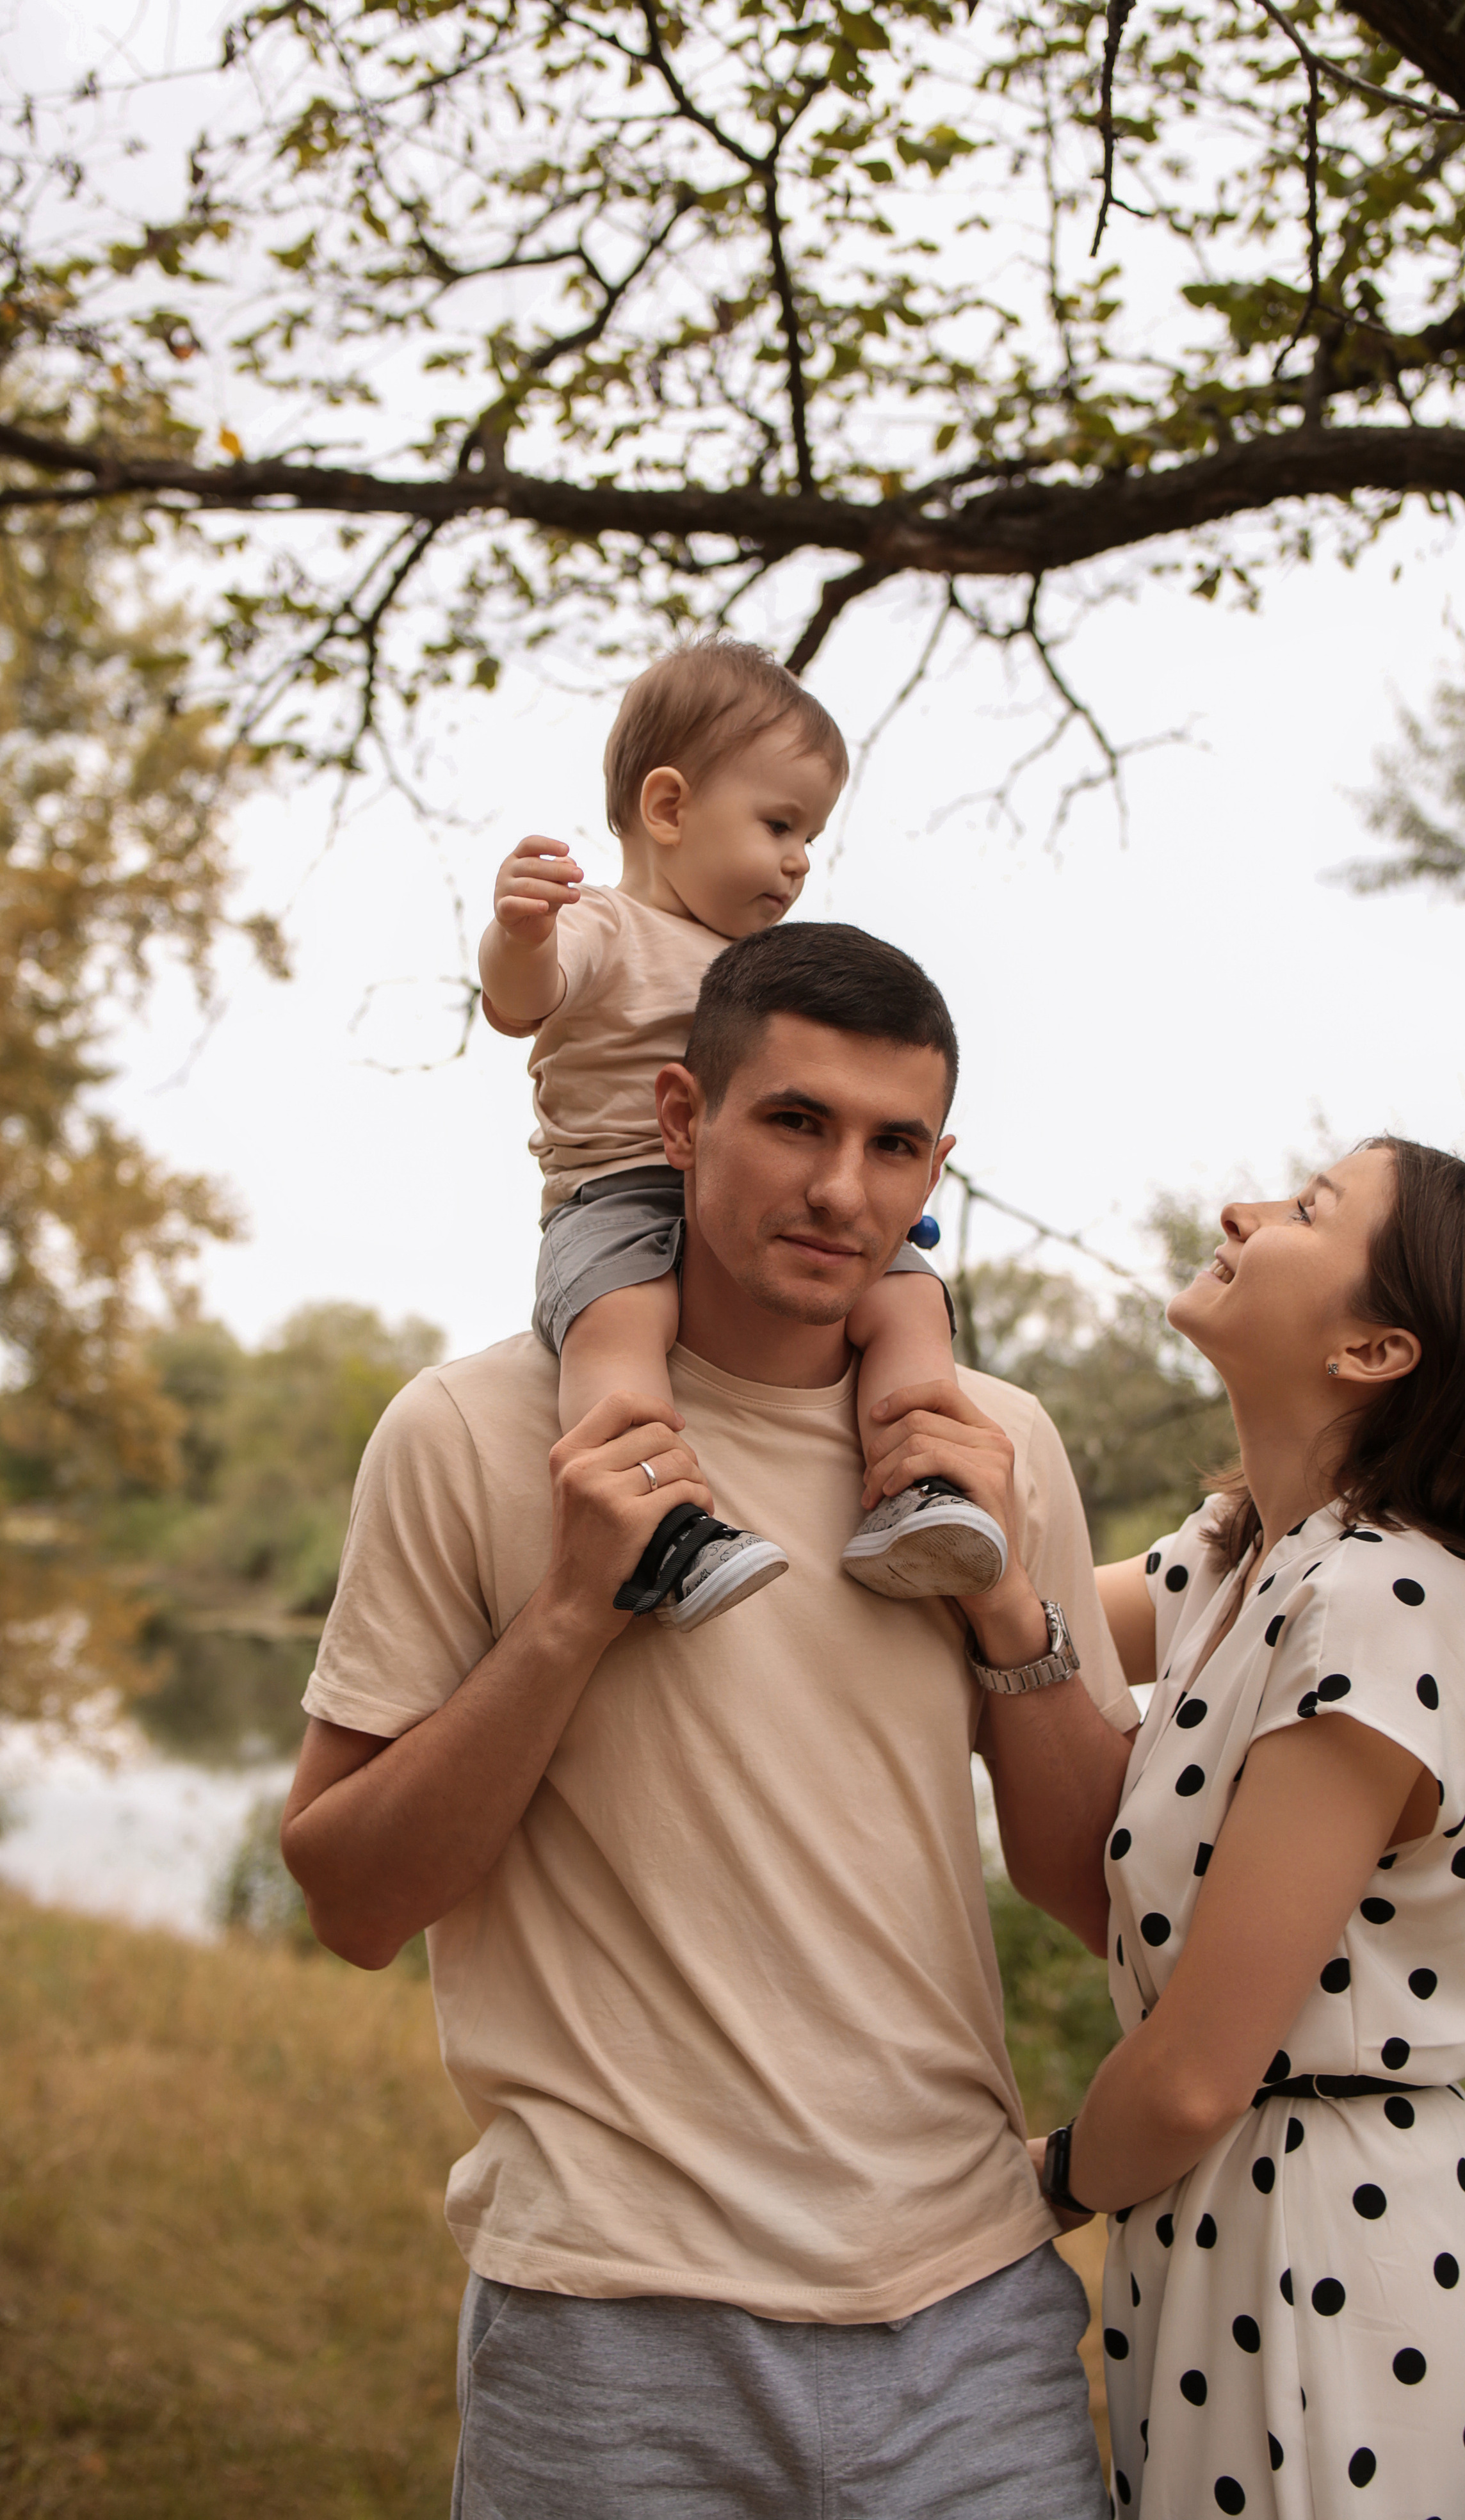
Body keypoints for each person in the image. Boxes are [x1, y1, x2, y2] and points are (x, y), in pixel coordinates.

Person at [281, 921, 1138, 2519]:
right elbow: (348, 1899)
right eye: (794, 1122)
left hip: (970, 2308)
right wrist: (569, 1615)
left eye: (894, 1146)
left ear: (939, 1164)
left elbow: (1092, 1890)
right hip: (607, 2327)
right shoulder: (466, 1433)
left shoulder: (995, 1443)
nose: (842, 1192)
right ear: (681, 1121)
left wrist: (1008, 1609)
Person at [1035, 1138, 1465, 2520]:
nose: (1238, 1209)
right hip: (1224, 2219)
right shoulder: (1241, 1560)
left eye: (1304, 1210)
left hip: (1326, 2240)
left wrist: (1007, 2199)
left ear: (1373, 1348)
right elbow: (1007, 1618)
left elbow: (1189, 2075)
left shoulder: (1388, 1596)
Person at [477, 638, 1007, 1631]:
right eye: (780, 824)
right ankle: (654, 1526)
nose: (800, 859)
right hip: (621, 1194)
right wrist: (519, 934)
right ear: (670, 809)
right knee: (621, 1327)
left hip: (752, 1202)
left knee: (909, 1303)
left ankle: (920, 1489)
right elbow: (524, 1002)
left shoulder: (764, 966)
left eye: (810, 835)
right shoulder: (606, 926)